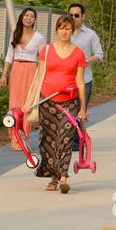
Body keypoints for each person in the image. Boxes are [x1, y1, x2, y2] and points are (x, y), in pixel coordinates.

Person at [23, 15, 88, 194]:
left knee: (65, 139)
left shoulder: (78, 53)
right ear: (56, 30)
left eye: (67, 28)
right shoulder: (46, 50)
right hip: (47, 101)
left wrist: (83, 108)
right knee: (48, 141)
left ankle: (64, 176)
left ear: (72, 30)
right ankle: (54, 176)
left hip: (69, 102)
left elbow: (80, 82)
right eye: (61, 28)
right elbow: (38, 77)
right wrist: (28, 103)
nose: (64, 31)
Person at [0, 7, 45, 141]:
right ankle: (14, 136)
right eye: (26, 15)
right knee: (14, 102)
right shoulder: (15, 34)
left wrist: (42, 77)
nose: (28, 18)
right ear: (21, 17)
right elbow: (9, 56)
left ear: (34, 20)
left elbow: (43, 59)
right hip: (16, 70)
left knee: (28, 103)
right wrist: (4, 74)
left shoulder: (39, 37)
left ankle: (24, 135)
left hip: (31, 70)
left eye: (31, 16)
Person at [68, 3, 105, 107]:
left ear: (83, 16)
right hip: (66, 80)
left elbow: (99, 54)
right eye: (70, 15)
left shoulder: (91, 34)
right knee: (66, 116)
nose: (73, 18)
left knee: (80, 114)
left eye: (76, 15)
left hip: (85, 80)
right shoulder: (64, 32)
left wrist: (86, 60)